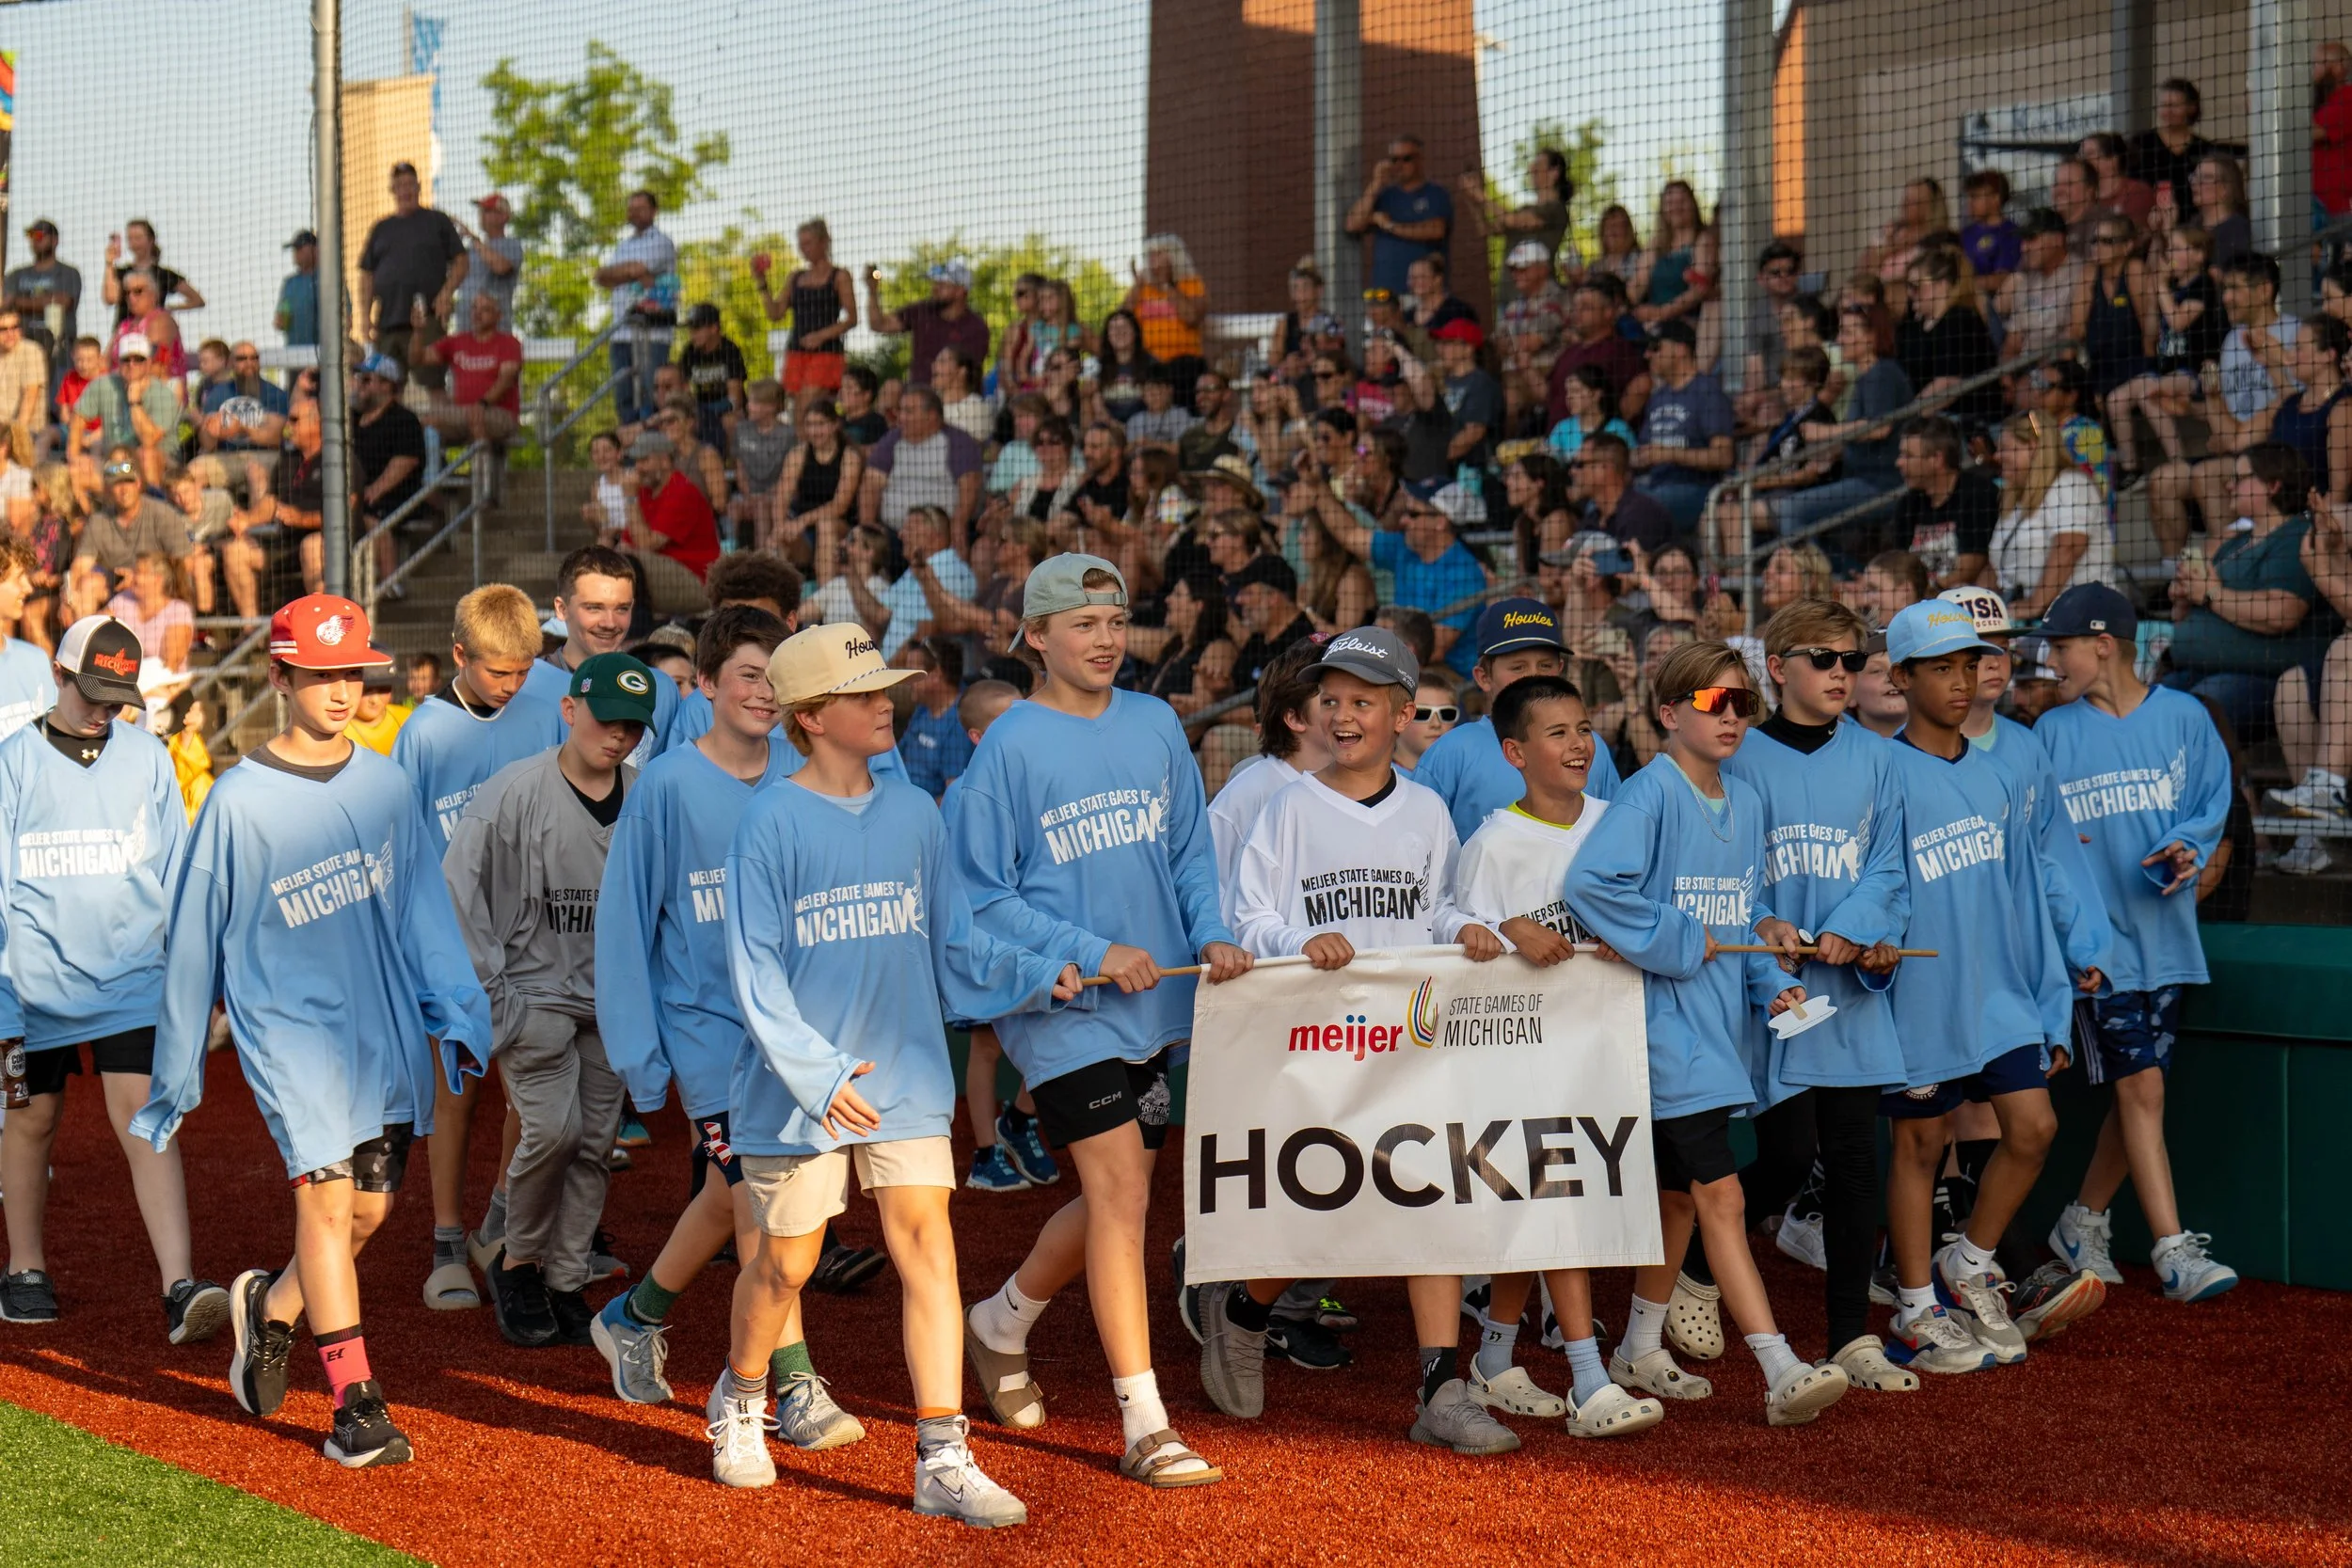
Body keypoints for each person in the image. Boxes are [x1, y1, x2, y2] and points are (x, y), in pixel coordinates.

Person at [712, 624, 1074, 1517]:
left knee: (929, 1255)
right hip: (799, 1094)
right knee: (785, 1269)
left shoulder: (916, 810)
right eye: (866, 692)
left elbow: (955, 939)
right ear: (810, 717)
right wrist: (820, 1073)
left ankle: (942, 1456)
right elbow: (753, 972)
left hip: (907, 1078)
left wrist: (1036, 974)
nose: (888, 701)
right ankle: (742, 1399)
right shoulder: (767, 820)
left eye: (886, 687)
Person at [133, 594, 491, 1469]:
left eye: (352, 674)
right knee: (327, 1206)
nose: (341, 690)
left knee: (367, 1210)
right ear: (280, 675)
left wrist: (459, 1006)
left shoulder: (386, 783)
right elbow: (190, 945)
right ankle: (353, 1405)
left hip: (380, 1031)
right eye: (322, 674)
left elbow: (422, 908)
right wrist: (176, 1076)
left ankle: (273, 1310)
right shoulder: (234, 802)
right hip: (287, 1036)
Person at [952, 554, 1248, 1488]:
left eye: (1116, 619)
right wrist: (1088, 948)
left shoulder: (1157, 721)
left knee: (1121, 1195)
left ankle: (1000, 1318)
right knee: (1121, 1189)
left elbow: (1189, 849)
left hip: (1156, 998)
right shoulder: (1009, 744)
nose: (1107, 638)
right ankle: (1144, 1417)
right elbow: (983, 895)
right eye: (1083, 622)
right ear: (1035, 636)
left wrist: (1211, 931)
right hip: (1066, 1003)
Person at [1208, 626, 1516, 1450]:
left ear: (1402, 713)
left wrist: (1471, 928)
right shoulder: (1289, 804)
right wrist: (1297, 943)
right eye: (1333, 700)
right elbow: (1251, 914)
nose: (1343, 716)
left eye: (1363, 702)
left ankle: (1440, 1389)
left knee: (1435, 1204)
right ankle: (1242, 1311)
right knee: (1323, 1203)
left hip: (1412, 1036)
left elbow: (1438, 903)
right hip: (1317, 1042)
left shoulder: (1425, 806)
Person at [1562, 641, 1848, 1426]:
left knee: (1677, 1199)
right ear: (1668, 713)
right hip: (1662, 1032)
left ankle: (1637, 1347)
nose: (1731, 718)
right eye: (1713, 702)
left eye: (1742, 703)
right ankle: (1778, 1363)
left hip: (1717, 1029)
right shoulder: (1649, 796)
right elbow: (1589, 886)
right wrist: (1681, 937)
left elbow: (1743, 914)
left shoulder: (1747, 801)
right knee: (1719, 1193)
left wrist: (1772, 967)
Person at [593, 608, 813, 1405]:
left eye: (775, 678)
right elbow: (624, 924)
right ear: (708, 685)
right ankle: (787, 1384)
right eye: (748, 675)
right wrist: (642, 1060)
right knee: (758, 1195)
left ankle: (634, 1314)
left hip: (794, 1035)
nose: (764, 693)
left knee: (732, 1194)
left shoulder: (803, 766)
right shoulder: (667, 786)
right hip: (709, 1032)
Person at [1440, 672, 1669, 1434]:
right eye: (1557, 732)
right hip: (1519, 1056)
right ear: (1514, 751)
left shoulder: (1620, 817)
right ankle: (1587, 1378)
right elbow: (1456, 945)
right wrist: (1507, 928)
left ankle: (1495, 1359)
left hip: (1608, 1051)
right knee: (1557, 1201)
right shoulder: (1490, 843)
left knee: (1549, 1205)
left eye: (1583, 728)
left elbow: (1657, 914)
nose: (1578, 744)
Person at [1714, 598, 1918, 1392]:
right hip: (1773, 990)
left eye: (1854, 658)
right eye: (1825, 658)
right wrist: (1765, 919)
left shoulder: (1877, 757)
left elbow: (1890, 869)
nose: (1844, 672)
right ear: (1778, 667)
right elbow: (1724, 864)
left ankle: (1849, 1338)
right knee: (1787, 1155)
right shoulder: (1739, 756)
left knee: (1856, 1162)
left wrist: (1854, 925)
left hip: (1850, 987)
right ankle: (1698, 1270)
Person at [0, 615, 220, 1339]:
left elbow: (175, 867)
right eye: (91, 692)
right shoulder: (13, 760)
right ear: (58, 676)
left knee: (148, 1121)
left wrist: (190, 973)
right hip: (31, 982)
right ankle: (25, 1266)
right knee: (32, 1121)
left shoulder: (147, 756)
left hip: (130, 975)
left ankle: (179, 1284)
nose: (103, 709)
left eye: (116, 696)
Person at [1870, 599, 2074, 1375]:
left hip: (2001, 995)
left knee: (2034, 1129)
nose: (1961, 682)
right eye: (1941, 668)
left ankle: (1971, 1262)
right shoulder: (1884, 772)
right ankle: (1917, 1304)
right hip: (1922, 992)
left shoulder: (1997, 775)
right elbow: (1875, 884)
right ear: (1901, 677)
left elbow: (2025, 892)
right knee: (1920, 1143)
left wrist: (2050, 1001)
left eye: (1968, 665)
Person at [2037, 583, 2242, 1304]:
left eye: (2060, 646)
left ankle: (2081, 1221)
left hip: (2168, 940)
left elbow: (2210, 807)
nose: (2048, 659)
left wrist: (2186, 847)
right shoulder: (2051, 734)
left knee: (2140, 1098)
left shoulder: (2185, 718)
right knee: (2143, 1087)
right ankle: (2173, 1250)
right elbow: (2044, 847)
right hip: (2099, 952)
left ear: (2102, 644)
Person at [445, 652, 651, 1348]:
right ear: (569, 711)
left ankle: (565, 1278)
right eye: (605, 720)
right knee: (553, 1133)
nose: (616, 736)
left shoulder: (643, 792)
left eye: (631, 725)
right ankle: (517, 1261)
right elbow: (455, 886)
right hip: (534, 994)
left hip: (610, 1000)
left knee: (594, 1143)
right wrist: (494, 990)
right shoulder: (514, 791)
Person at [389, 584, 558, 1308]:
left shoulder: (546, 706)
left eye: (523, 670)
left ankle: (500, 1215)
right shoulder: (423, 733)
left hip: (532, 934)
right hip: (450, 941)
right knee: (456, 1085)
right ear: (459, 655)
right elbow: (400, 843)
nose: (513, 684)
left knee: (533, 1081)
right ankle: (448, 1237)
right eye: (498, 671)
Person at [1414, 598, 1624, 843]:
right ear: (1483, 677)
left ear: (1560, 670)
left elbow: (1616, 838)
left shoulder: (1589, 747)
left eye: (1545, 665)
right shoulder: (1453, 751)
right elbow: (1418, 845)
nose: (1534, 676)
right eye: (1518, 667)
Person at [2166, 442, 2338, 739]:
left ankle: (2236, 786)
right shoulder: (2234, 543)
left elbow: (2280, 614)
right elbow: (2186, 617)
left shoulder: (2295, 537)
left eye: (2240, 478)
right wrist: (2183, 598)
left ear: (2272, 486)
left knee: (2189, 726)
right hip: (2196, 669)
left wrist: (2209, 594)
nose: (2229, 485)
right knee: (2137, 715)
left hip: (2260, 678)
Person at [2151, 254, 2298, 562]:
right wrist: (2195, 408)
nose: (2226, 298)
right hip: (2238, 448)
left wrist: (2233, 436)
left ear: (2264, 291)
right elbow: (2230, 422)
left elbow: (2293, 405)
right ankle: (2172, 576)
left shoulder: (2294, 334)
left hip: (2277, 454)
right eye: (2225, 289)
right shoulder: (2232, 341)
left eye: (2235, 289)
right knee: (2162, 481)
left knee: (2206, 473)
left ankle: (2227, 567)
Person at [2107, 226, 2227, 477]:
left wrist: (2161, 286)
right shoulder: (2170, 288)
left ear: (2198, 255)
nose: (2170, 255)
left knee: (2149, 394)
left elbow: (2178, 321)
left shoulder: (2202, 284)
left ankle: (2178, 461)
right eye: (2169, 249)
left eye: (2177, 249)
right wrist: (2154, 295)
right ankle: (2130, 468)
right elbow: (2152, 332)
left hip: (2194, 370)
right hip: (2165, 369)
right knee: (2116, 399)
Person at [1988, 413, 2114, 619]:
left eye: (2005, 449)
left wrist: (2034, 605)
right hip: (2029, 616)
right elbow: (1996, 568)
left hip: (2081, 615)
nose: (1997, 456)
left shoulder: (2071, 484)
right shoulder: (2016, 501)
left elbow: (2069, 547)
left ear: (2032, 447)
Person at [356, 163, 466, 380]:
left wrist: (446, 293)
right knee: (383, 387)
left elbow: (462, 262)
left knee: (432, 385)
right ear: (392, 190)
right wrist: (365, 316)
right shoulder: (381, 228)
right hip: (387, 323)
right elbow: (366, 274)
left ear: (419, 186)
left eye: (409, 184)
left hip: (427, 323)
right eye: (399, 185)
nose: (405, 190)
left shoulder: (437, 221)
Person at [1629, 322, 1733, 533]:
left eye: (1656, 347)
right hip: (1655, 485)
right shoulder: (1658, 398)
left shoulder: (1707, 391)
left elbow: (1723, 456)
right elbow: (1645, 452)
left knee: (1639, 509)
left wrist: (1670, 454)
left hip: (1696, 488)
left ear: (1680, 349)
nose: (1648, 355)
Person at [71, 457, 194, 625]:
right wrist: (68, 599)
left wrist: (139, 578)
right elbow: (79, 568)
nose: (124, 490)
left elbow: (186, 562)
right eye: (117, 484)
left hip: (158, 585)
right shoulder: (99, 521)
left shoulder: (162, 514)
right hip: (116, 586)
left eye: (128, 482)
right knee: (88, 584)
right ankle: (87, 642)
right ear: (108, 489)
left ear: (138, 484)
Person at [608, 435, 721, 614]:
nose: (638, 468)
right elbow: (627, 543)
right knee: (609, 559)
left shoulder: (681, 491)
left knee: (629, 563)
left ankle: (637, 629)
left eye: (644, 460)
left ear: (665, 460)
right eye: (636, 461)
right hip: (662, 572)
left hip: (696, 581)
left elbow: (646, 545)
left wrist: (629, 498)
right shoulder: (644, 491)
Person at [596, 191, 679, 427]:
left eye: (640, 208)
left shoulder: (661, 241)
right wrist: (628, 272)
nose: (634, 213)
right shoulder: (623, 245)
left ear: (654, 211)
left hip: (652, 334)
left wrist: (623, 273)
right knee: (623, 396)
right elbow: (601, 276)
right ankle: (632, 453)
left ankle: (654, 448)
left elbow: (635, 269)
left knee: (651, 395)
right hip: (622, 332)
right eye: (631, 208)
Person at [861, 387, 983, 545]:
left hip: (941, 536)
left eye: (909, 412)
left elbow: (969, 488)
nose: (901, 417)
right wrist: (868, 527)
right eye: (901, 410)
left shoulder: (959, 442)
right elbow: (871, 484)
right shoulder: (892, 440)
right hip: (893, 534)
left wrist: (957, 525)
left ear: (931, 416)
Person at [757, 219, 858, 411]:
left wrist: (821, 336)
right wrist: (762, 282)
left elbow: (852, 318)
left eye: (808, 243)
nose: (804, 249)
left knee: (806, 404)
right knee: (795, 408)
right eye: (801, 244)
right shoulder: (795, 277)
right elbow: (775, 313)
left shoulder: (839, 275)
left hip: (826, 352)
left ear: (823, 242)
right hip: (796, 350)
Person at [1890, 416, 2000, 588]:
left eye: (1908, 456)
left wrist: (1925, 592)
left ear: (1937, 459)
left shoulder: (1977, 494)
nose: (1899, 463)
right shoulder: (1908, 505)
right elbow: (1899, 567)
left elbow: (1970, 569)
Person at [1346, 134, 1454, 297]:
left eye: (1406, 159)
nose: (1399, 165)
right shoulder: (1385, 195)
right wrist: (1376, 183)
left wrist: (1390, 226)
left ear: (1420, 160)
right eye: (1394, 159)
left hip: (1423, 294)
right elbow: (1353, 224)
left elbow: (1436, 230)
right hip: (1383, 295)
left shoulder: (1436, 193)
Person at [419, 291, 525, 447]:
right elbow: (418, 358)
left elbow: (506, 379)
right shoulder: (457, 341)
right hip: (462, 413)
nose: (477, 314)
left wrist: (482, 404)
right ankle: (436, 469)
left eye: (485, 310)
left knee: (475, 418)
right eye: (475, 308)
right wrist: (418, 332)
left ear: (498, 316)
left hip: (500, 415)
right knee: (423, 422)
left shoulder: (509, 343)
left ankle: (483, 470)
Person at [864, 261, 991, 388]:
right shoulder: (922, 311)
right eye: (934, 284)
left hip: (954, 399)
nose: (934, 289)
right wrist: (872, 291)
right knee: (891, 388)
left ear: (960, 290)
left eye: (942, 285)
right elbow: (879, 325)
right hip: (916, 395)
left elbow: (969, 374)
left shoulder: (976, 328)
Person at [2071, 217, 2157, 404]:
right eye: (2094, 241)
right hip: (2100, 368)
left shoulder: (2134, 270)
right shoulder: (2089, 273)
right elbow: (2076, 329)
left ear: (2127, 246)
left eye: (2106, 241)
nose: (2097, 247)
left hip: (2134, 366)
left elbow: (2149, 333)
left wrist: (2150, 370)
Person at [7, 218, 81, 373]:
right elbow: (6, 303)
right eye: (32, 236)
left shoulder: (68, 273)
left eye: (40, 235)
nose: (35, 240)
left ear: (54, 240)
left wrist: (20, 301)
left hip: (59, 351)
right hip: (22, 348)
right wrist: (47, 301)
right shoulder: (16, 274)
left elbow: (64, 301)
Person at [1124, 235, 1210, 370]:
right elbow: (1123, 317)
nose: (1152, 260)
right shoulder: (1143, 288)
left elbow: (1192, 317)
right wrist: (1137, 284)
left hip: (1184, 363)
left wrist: (1166, 284)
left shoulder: (1191, 283)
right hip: (1149, 363)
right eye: (1150, 255)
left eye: (1158, 254)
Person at [676, 303, 749, 450]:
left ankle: (731, 468)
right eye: (690, 329)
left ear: (714, 328)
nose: (692, 334)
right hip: (700, 411)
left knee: (730, 422)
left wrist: (709, 411)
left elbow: (736, 399)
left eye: (696, 328)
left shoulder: (730, 350)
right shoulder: (689, 352)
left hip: (727, 410)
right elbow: (683, 390)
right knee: (683, 424)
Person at [452, 193, 523, 331]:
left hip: (496, 332)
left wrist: (472, 238)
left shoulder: (512, 244)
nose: (482, 214)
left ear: (504, 216)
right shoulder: (471, 249)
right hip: (465, 330)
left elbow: (501, 267)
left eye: (488, 211)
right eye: (481, 210)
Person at [345, 653, 408, 755]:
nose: (374, 700)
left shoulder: (406, 719)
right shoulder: (339, 731)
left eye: (383, 689)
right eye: (366, 690)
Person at [273, 230, 320, 347]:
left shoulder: (329, 281)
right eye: (294, 250)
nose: (295, 253)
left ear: (314, 249)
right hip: (295, 354)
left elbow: (347, 321)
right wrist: (281, 320)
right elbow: (280, 321)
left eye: (299, 248)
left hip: (324, 353)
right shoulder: (290, 283)